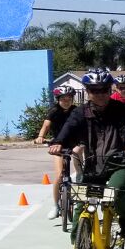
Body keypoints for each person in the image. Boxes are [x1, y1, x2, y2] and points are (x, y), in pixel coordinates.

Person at [48, 69, 125, 249]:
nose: (99, 94)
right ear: (87, 91)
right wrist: (58, 142)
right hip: (93, 166)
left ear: (110, 90)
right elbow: (68, 129)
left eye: (103, 90)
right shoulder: (80, 113)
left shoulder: (121, 110)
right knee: (81, 204)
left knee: (115, 191)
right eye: (94, 90)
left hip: (120, 163)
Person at [34, 86, 80, 218]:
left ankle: (80, 175)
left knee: (79, 158)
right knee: (59, 175)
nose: (66, 101)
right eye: (63, 99)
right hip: (58, 145)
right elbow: (46, 125)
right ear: (58, 99)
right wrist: (41, 136)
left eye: (69, 99)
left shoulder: (76, 111)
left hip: (74, 143)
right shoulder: (54, 111)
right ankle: (56, 206)